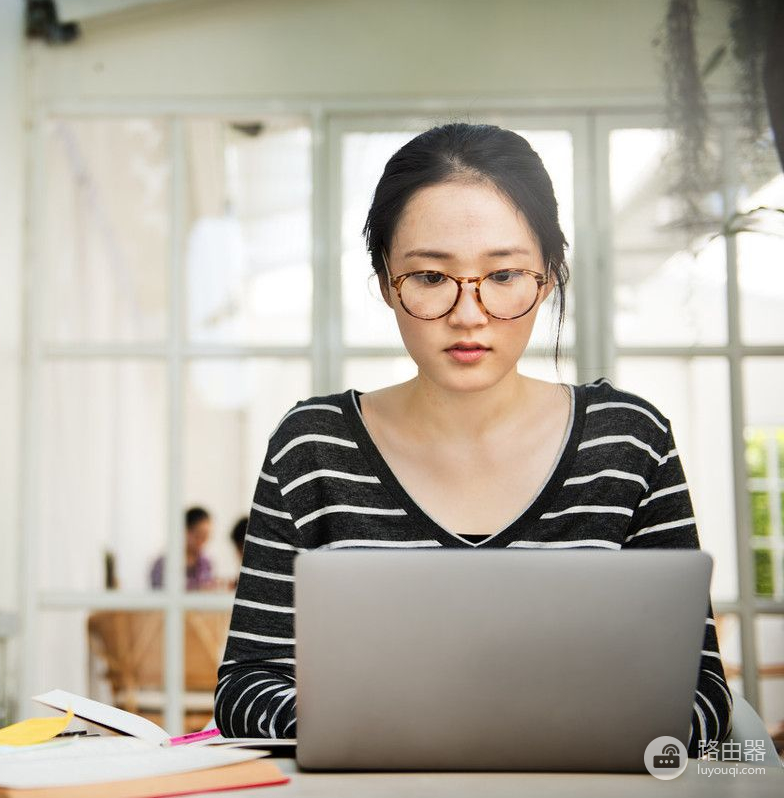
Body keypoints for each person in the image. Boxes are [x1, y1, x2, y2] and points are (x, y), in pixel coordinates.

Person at [214, 123, 732, 757]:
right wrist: (442, 727)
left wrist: (456, 723)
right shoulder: (312, 447)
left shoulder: (629, 442)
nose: (468, 313)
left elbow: (702, 695)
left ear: (547, 278)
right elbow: (245, 689)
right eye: (431, 277)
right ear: (386, 282)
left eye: (505, 274)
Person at [150, 506, 217, 590]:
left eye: (206, 536)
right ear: (185, 531)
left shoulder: (206, 564)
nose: (203, 541)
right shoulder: (162, 564)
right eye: (199, 535)